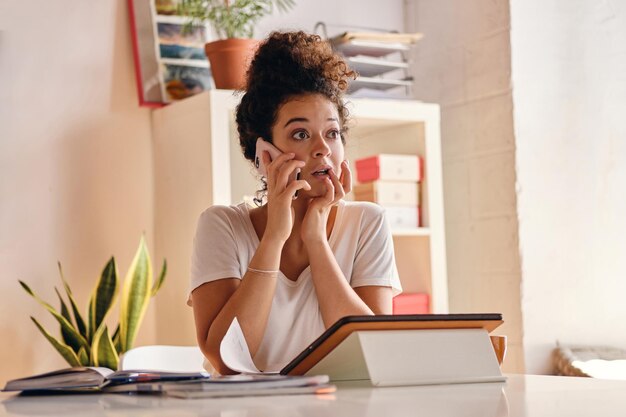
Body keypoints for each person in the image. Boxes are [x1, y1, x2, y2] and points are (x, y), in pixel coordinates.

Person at [189, 31, 402, 375]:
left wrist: (317, 240)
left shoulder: (368, 222)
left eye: (332, 133)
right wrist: (274, 236)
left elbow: (372, 354)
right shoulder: (222, 226)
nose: (322, 148)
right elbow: (227, 360)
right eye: (301, 134)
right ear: (265, 154)